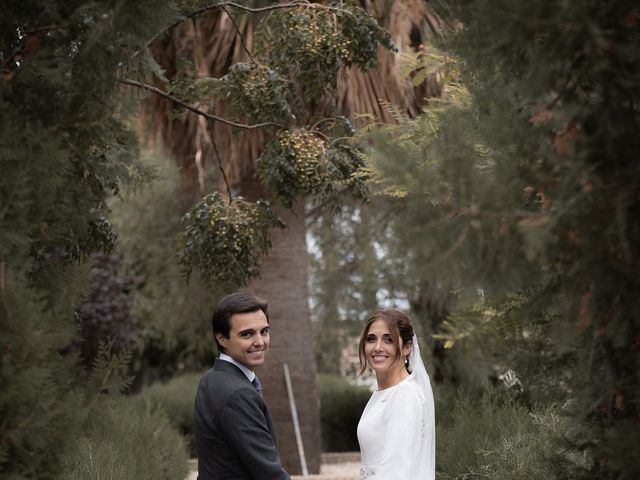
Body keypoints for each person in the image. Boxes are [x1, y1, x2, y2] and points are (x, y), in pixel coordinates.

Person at [194, 291, 290, 480]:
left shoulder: (210, 379)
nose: (260, 342)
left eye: (264, 331)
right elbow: (269, 473)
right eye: (247, 334)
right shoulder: (238, 393)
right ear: (221, 338)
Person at [356, 309, 435, 480]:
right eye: (371, 339)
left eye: (388, 339)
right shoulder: (386, 394)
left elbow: (396, 470)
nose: (377, 347)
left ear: (407, 347)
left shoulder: (404, 395)